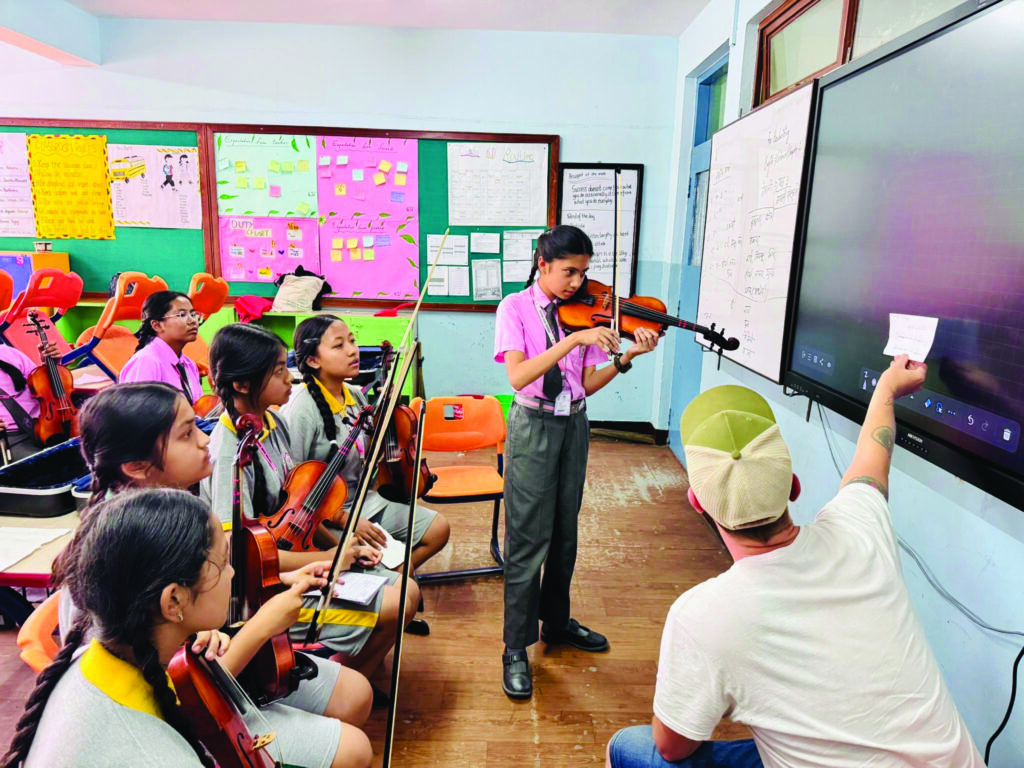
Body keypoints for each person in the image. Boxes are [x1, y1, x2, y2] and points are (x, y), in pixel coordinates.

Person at [605, 356, 985, 768]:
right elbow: (874, 453)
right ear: (794, 486)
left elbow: (673, 746)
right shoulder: (861, 527)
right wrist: (887, 389)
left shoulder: (702, 617)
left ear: (697, 503)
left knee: (630, 747)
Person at [55, 382, 375, 760]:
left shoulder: (175, 505)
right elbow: (175, 694)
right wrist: (263, 625)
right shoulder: (121, 553)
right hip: (186, 705)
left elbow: (204, 599)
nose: (206, 441)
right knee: (354, 747)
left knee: (356, 695)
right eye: (187, 434)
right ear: (136, 467)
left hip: (211, 660)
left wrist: (275, 581)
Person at [2, 488, 374, 768]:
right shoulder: (157, 756)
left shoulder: (107, 653)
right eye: (224, 563)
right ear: (173, 602)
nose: (232, 573)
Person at [494, 224, 658, 699]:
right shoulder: (515, 308)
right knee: (528, 537)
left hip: (575, 425)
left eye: (583, 274)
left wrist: (625, 359)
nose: (577, 284)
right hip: (533, 426)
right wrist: (574, 339)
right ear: (542, 264)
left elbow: (583, 384)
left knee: (566, 533)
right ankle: (514, 646)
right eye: (569, 272)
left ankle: (557, 623)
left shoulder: (581, 311)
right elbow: (519, 375)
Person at [201, 323, 419, 678]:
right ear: (241, 385)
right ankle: (348, 681)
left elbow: (302, 513)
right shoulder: (229, 452)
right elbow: (240, 554)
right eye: (277, 372)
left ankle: (351, 672)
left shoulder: (272, 422)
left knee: (408, 589)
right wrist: (331, 559)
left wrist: (342, 546)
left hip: (299, 561)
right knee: (396, 602)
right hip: (261, 594)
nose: (289, 378)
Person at [283, 314, 451, 571]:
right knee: (380, 565)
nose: (353, 351)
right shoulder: (301, 409)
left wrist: (390, 419)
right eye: (339, 345)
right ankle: (389, 581)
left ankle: (397, 577)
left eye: (352, 341)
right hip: (324, 518)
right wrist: (344, 519)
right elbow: (295, 495)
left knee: (438, 529)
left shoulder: (354, 396)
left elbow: (368, 454)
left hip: (363, 501)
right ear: (313, 360)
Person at [120, 291, 203, 405]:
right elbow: (137, 414)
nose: (192, 321)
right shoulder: (146, 362)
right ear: (157, 325)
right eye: (182, 315)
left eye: (193, 314)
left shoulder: (189, 364)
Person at [0, 339, 65, 461]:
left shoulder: (8, 353)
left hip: (46, 423)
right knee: (46, 465)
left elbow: (46, 389)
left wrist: (51, 365)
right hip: (11, 437)